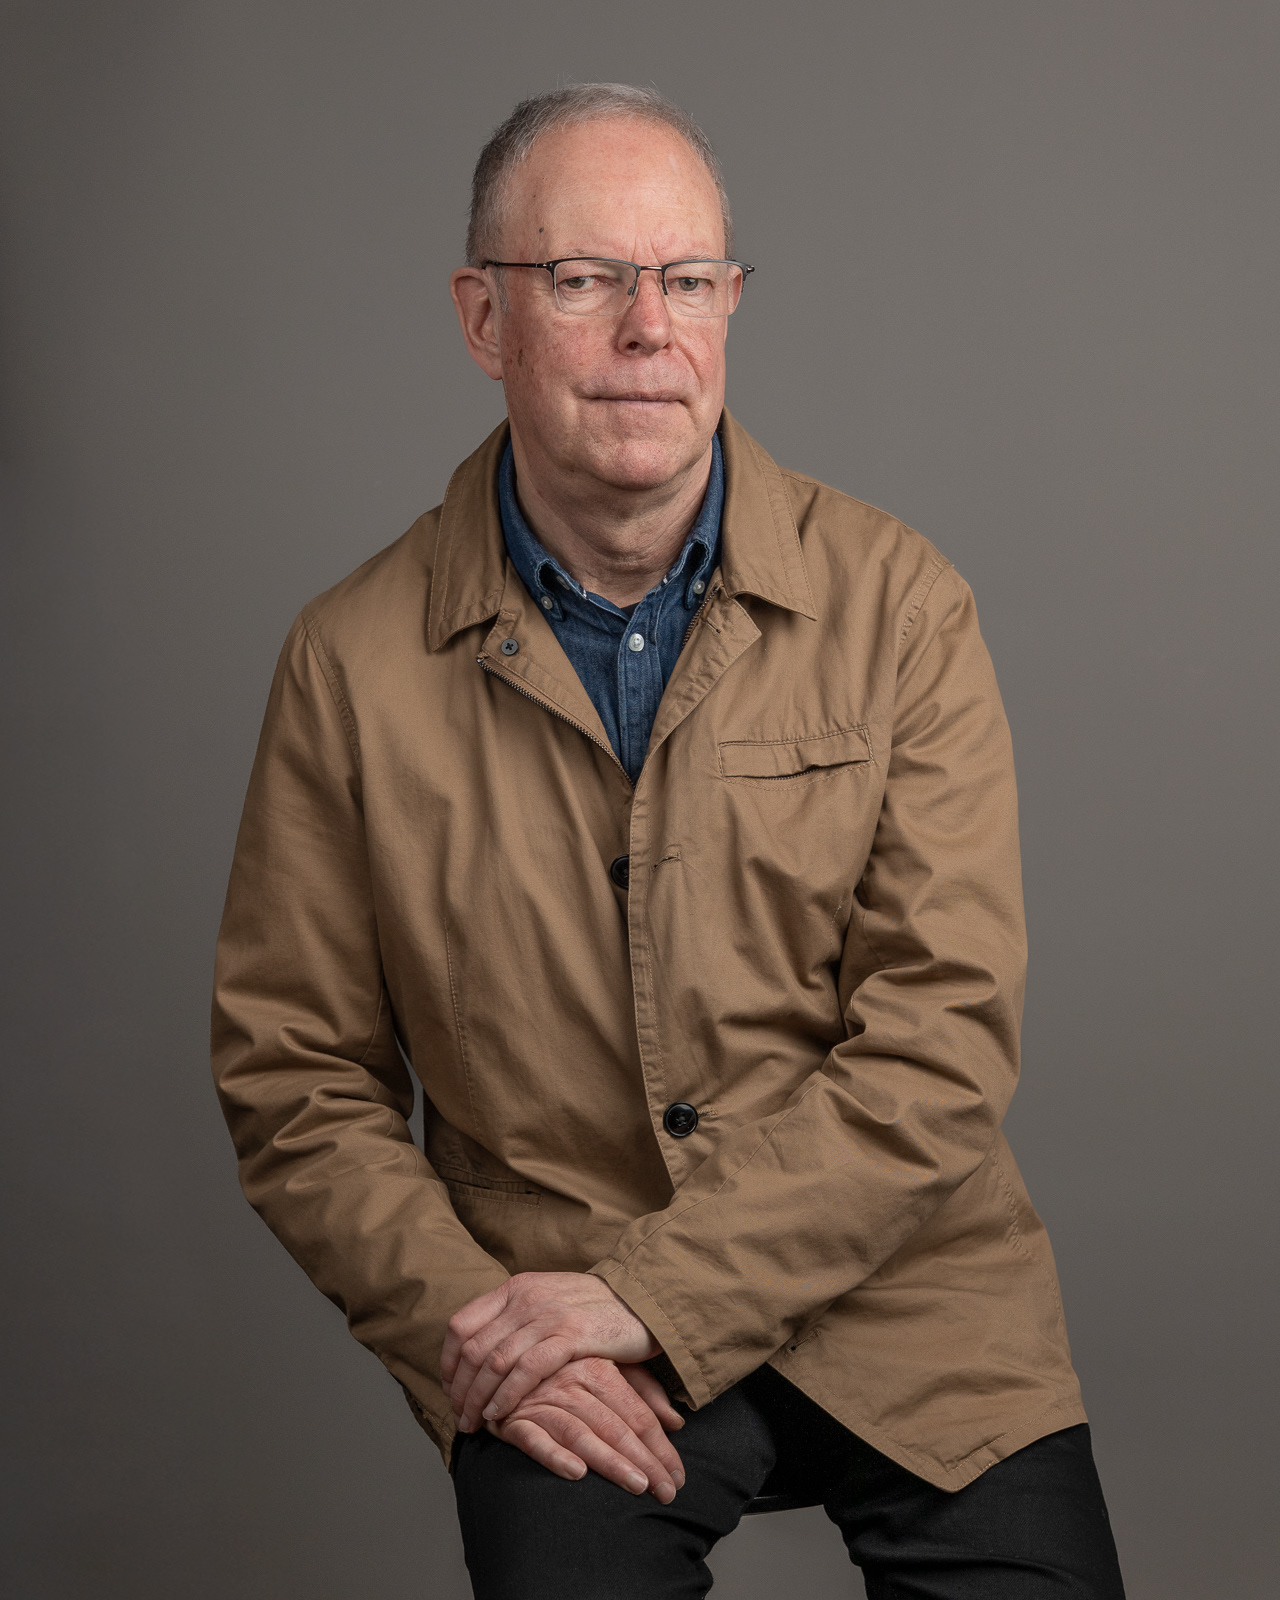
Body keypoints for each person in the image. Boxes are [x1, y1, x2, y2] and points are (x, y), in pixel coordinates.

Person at [212, 83, 1126, 1598]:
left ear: (728, 304)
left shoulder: (903, 606)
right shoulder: (347, 664)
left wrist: (653, 1295)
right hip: (556, 1322)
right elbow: (297, 1081)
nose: (651, 328)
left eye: (689, 279)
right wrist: (475, 1331)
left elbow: (943, 1041)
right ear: (483, 317)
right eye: (585, 280)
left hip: (910, 1298)